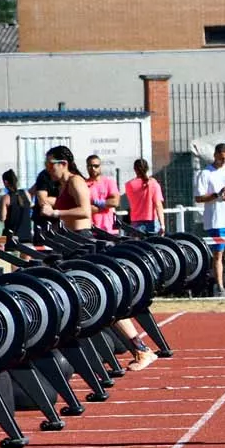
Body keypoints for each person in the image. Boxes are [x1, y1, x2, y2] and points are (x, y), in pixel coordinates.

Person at [40, 147, 156, 369]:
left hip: (82, 244)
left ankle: (141, 349)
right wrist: (51, 204)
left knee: (104, 301)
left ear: (62, 163)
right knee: (86, 304)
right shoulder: (65, 184)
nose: (47, 169)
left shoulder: (75, 181)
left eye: (49, 164)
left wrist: (55, 213)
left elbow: (85, 211)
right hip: (70, 244)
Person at [195, 141, 225, 294]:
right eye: (221, 158)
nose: (224, 161)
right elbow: (199, 197)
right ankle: (220, 287)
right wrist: (216, 195)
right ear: (215, 156)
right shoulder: (206, 173)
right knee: (218, 254)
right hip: (216, 220)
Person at [124, 158, 165, 234]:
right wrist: (162, 225)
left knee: (138, 245)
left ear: (135, 169)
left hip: (136, 222)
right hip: (152, 222)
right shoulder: (154, 184)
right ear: (147, 168)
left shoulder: (129, 185)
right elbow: (158, 205)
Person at [83, 155, 120, 233]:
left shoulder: (109, 182)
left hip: (110, 230)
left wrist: (95, 203)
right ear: (87, 167)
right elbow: (84, 208)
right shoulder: (83, 185)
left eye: (96, 166)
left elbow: (115, 202)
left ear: (100, 167)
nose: (93, 168)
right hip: (92, 230)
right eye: (90, 166)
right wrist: (105, 205)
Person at [0, 169, 33, 241]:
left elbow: (2, 218)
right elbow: (29, 207)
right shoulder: (26, 194)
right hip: (27, 237)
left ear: (5, 182)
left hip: (12, 238)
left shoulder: (6, 198)